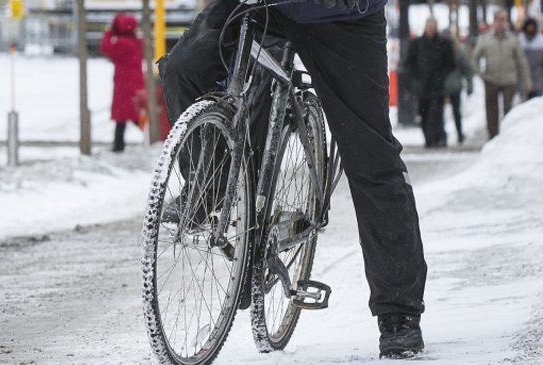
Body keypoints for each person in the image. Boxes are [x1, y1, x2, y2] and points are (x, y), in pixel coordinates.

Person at [158, 0, 427, 358]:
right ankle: (213, 186)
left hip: (342, 16)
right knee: (182, 68)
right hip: (265, 8)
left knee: (371, 159)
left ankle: (398, 312)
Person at [471, 10, 532, 140]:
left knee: (508, 109)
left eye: (502, 19)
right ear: (493, 21)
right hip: (491, 79)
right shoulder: (485, 39)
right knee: (491, 111)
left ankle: (507, 137)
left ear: (506, 21)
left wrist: (527, 81)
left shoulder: (512, 39)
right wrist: (482, 75)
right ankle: (492, 137)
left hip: (509, 80)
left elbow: (522, 61)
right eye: (497, 19)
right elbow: (474, 58)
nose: (500, 22)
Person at [404, 18, 456, 148]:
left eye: (433, 26)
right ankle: (429, 138)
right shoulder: (417, 43)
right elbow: (409, 63)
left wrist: (442, 77)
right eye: (429, 26)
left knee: (435, 114)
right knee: (423, 113)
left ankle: (433, 139)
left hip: (437, 86)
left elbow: (451, 63)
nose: (430, 29)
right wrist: (416, 78)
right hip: (422, 86)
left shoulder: (443, 43)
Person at [100, 13, 146, 152]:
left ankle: (119, 145)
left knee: (124, 115)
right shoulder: (135, 41)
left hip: (124, 84)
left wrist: (109, 32)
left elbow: (105, 47)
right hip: (135, 80)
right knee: (134, 113)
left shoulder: (122, 43)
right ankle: (150, 134)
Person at [442, 29, 474, 144]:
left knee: (454, 112)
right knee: (448, 113)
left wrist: (470, 84)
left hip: (452, 86)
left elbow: (467, 69)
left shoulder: (458, 52)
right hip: (445, 86)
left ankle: (456, 134)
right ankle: (448, 135)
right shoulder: (455, 51)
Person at [518, 17, 543, 100]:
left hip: (538, 79)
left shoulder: (540, 41)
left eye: (532, 26)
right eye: (528, 26)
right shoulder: (519, 40)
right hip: (522, 80)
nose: (530, 28)